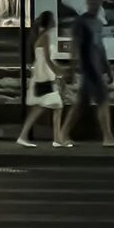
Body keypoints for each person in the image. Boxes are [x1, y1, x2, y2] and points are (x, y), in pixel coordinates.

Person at [69, 0, 114, 147]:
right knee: (103, 100)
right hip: (88, 67)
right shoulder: (81, 22)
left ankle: (62, 135)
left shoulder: (98, 23)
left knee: (80, 104)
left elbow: (100, 47)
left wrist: (108, 68)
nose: (94, 7)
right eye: (92, 4)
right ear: (87, 3)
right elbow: (75, 45)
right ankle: (108, 137)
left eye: (97, 4)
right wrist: (72, 68)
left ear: (100, 4)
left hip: (96, 66)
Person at [15, 10, 69, 148]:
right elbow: (47, 59)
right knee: (51, 106)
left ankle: (56, 139)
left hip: (43, 74)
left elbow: (45, 59)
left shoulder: (41, 36)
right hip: (44, 76)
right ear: (50, 22)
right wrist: (58, 72)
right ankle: (27, 136)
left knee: (52, 107)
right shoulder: (45, 37)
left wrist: (56, 71)